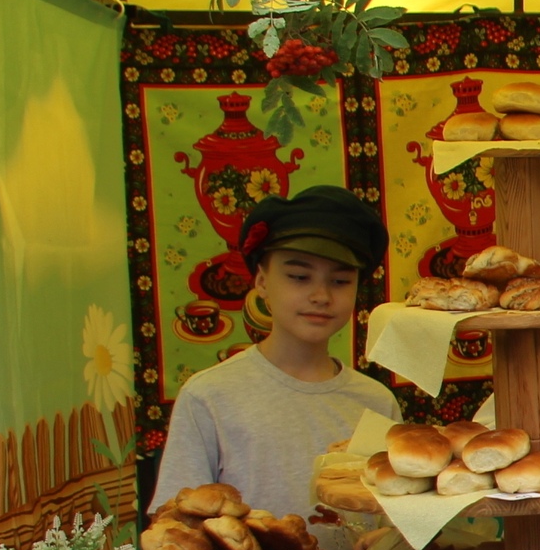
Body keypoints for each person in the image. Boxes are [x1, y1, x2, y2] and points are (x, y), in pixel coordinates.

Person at [151, 185, 397, 517]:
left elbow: (397, 521)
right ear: (262, 281)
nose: (321, 295)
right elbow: (175, 521)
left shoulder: (377, 403)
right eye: (299, 276)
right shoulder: (209, 397)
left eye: (340, 281)